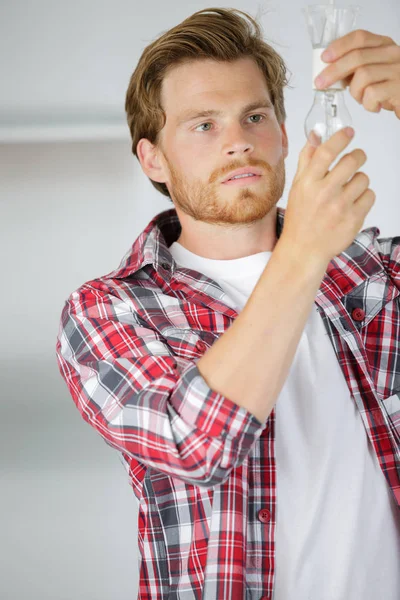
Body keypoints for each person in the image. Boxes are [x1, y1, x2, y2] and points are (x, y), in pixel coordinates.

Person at [55, 7, 400, 600]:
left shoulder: (377, 275)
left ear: (285, 133)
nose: (238, 140)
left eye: (254, 116)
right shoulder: (108, 311)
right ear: (153, 160)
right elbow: (196, 444)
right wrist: (304, 250)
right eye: (203, 125)